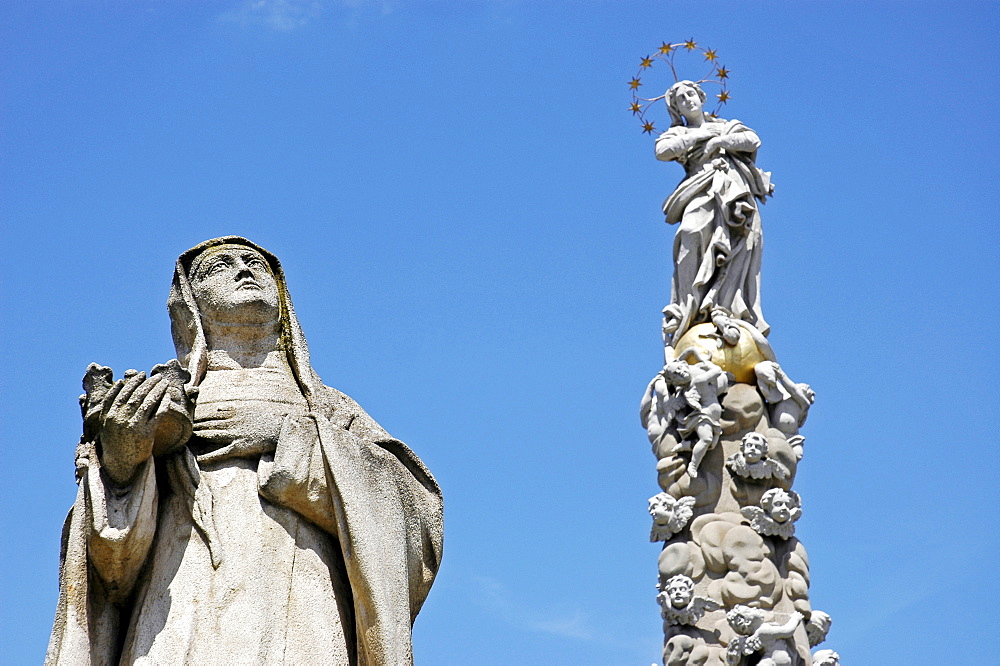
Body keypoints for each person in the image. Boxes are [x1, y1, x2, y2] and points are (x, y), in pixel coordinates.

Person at [47, 237, 443, 665]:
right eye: (218, 267)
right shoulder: (161, 402)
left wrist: (285, 437)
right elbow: (109, 571)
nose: (243, 270)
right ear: (190, 305)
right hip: (179, 614)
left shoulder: (327, 408)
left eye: (255, 263)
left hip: (303, 615)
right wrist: (123, 461)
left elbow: (416, 522)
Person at [655, 80, 773, 346]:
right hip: (700, 188)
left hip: (733, 192)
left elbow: (752, 140)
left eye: (690, 94)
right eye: (680, 100)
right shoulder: (677, 134)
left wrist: (720, 139)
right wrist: (702, 136)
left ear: (701, 96)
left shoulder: (726, 125)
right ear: (677, 110)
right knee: (690, 232)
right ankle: (690, 309)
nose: (687, 100)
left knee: (737, 245)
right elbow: (662, 151)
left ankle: (724, 305)